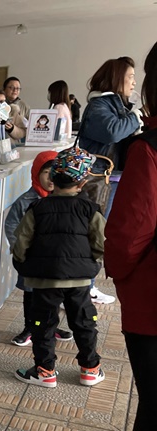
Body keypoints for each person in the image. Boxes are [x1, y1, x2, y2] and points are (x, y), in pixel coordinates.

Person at [88, 40, 157, 431]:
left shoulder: (149, 146)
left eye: (141, 81)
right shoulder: (106, 110)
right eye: (128, 81)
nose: (133, 88)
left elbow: (130, 231)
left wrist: (116, 271)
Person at [12, 147, 106, 388]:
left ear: (52, 178)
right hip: (79, 280)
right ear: (83, 182)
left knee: (43, 324)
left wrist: (22, 264)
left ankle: (45, 372)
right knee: (84, 322)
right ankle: (90, 369)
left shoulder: (37, 208)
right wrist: (90, 264)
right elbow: (101, 242)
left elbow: (21, 241)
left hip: (45, 279)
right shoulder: (90, 210)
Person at [77, 56, 142, 304]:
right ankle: (81, 288)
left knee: (96, 233)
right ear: (117, 79)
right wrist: (135, 118)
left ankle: (86, 286)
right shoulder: (98, 106)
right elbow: (112, 131)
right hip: (96, 181)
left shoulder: (115, 105)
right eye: (130, 77)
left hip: (109, 179)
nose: (134, 83)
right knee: (90, 233)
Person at [4, 150, 73, 347]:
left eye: (55, 172)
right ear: (35, 173)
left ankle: (51, 327)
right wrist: (21, 251)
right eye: (45, 173)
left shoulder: (63, 200)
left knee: (52, 295)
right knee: (31, 294)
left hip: (54, 259)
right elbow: (11, 225)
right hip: (31, 259)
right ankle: (30, 328)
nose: (50, 178)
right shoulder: (26, 201)